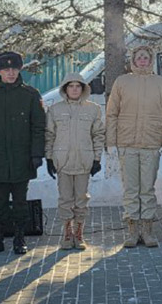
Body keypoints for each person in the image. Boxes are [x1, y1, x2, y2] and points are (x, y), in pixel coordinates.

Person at [0, 51, 46, 256]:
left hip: (22, 157)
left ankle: (19, 238)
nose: (11, 73)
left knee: (20, 200)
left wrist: (36, 154)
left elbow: (38, 126)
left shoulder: (31, 94)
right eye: (6, 69)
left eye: (14, 69)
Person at [106, 44, 162, 248]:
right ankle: (132, 230)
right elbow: (111, 114)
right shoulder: (122, 82)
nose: (142, 60)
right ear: (133, 60)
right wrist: (111, 143)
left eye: (146, 57)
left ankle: (147, 230)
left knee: (147, 189)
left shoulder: (161, 83)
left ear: (150, 60)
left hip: (151, 144)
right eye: (139, 57)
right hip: (126, 144)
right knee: (130, 189)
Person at [45, 73, 105, 250]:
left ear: (83, 89)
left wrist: (96, 158)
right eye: (70, 86)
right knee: (65, 198)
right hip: (62, 161)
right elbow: (49, 135)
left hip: (84, 161)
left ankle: (79, 233)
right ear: (65, 89)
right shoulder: (55, 110)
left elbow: (98, 135)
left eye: (78, 86)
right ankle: (67, 232)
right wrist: (49, 158)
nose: (74, 89)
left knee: (81, 198)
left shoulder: (93, 109)